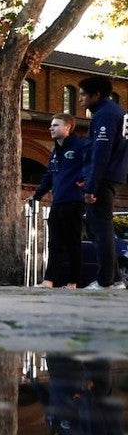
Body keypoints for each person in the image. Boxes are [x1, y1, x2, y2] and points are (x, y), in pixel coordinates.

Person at [78, 75, 128, 289]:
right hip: (114, 174)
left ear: (96, 95)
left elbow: (101, 151)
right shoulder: (119, 112)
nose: (79, 99)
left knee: (100, 227)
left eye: (82, 94)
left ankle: (107, 280)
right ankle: (113, 278)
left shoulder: (105, 115)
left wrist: (91, 185)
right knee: (94, 226)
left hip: (103, 177)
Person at [31, 113, 88, 288]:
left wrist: (85, 182)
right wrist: (37, 195)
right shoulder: (56, 151)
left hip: (74, 202)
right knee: (54, 243)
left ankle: (73, 283)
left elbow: (91, 166)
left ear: (67, 127)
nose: (51, 128)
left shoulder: (80, 146)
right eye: (51, 125)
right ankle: (49, 281)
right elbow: (49, 176)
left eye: (55, 125)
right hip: (58, 203)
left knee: (72, 244)